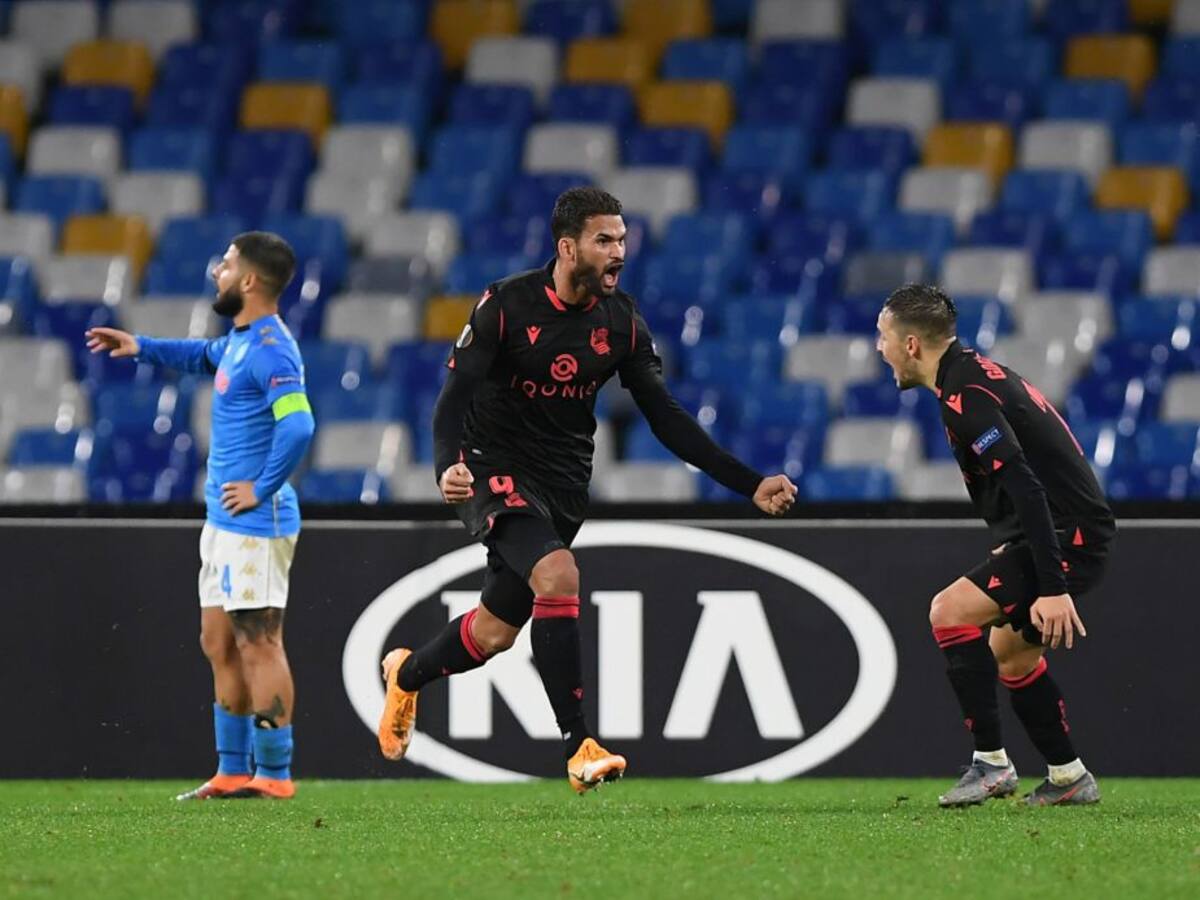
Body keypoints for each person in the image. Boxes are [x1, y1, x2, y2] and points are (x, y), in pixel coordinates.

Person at [377, 187, 798, 792]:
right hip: (492, 470)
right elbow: (453, 398)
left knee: (494, 632)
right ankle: (579, 746)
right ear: (568, 246)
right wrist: (448, 464)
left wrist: (750, 483)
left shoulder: (621, 322)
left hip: (563, 486)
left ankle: (407, 675)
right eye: (605, 241)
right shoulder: (505, 306)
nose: (618, 252)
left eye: (623, 240)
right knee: (559, 574)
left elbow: (668, 418)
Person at [86, 232, 315, 800]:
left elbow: (299, 424)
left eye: (229, 264)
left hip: (256, 525)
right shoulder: (239, 341)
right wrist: (139, 345)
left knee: (259, 642)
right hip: (223, 524)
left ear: (251, 281)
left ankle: (276, 775)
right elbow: (200, 356)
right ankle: (232, 769)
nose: (218, 271)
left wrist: (263, 488)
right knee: (218, 641)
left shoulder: (271, 348)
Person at [875, 283, 1116, 807]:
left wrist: (1052, 587)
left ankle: (990, 764)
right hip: (1068, 529)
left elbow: (1026, 485)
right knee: (1009, 653)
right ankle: (1069, 777)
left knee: (949, 612)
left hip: (1067, 536)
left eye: (884, 336)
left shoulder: (965, 396)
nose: (880, 348)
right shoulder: (972, 375)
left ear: (912, 345)